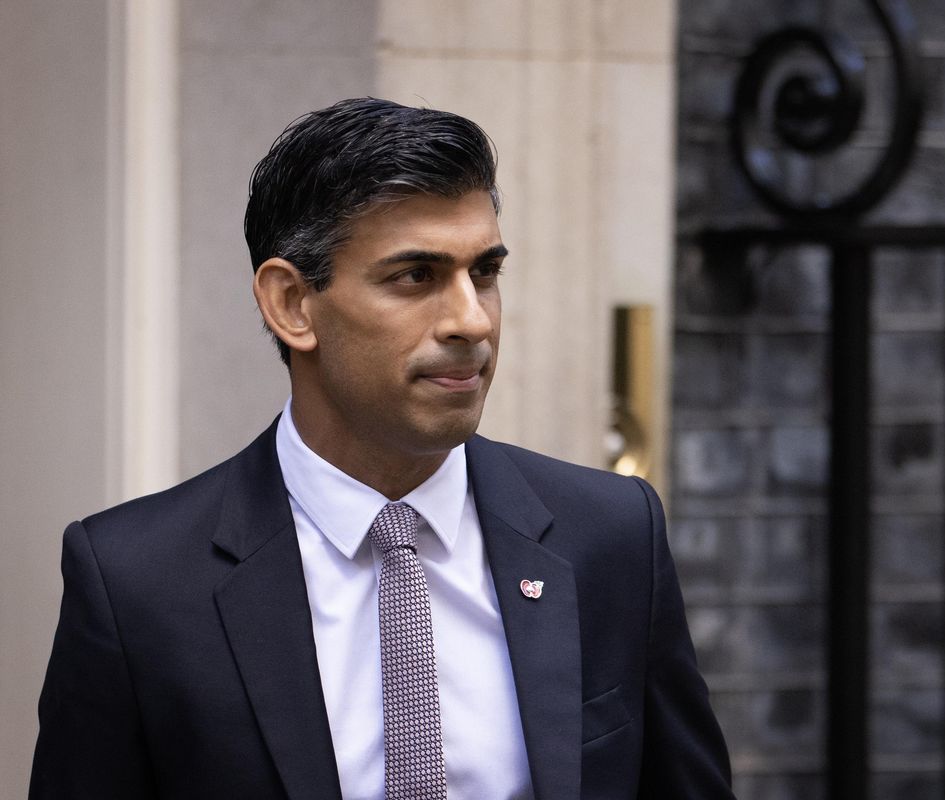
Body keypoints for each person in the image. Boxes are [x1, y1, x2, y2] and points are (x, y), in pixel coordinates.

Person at [30, 97, 733, 799]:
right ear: (291, 304)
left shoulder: (611, 534)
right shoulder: (136, 583)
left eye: (484, 273)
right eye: (415, 276)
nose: (471, 320)